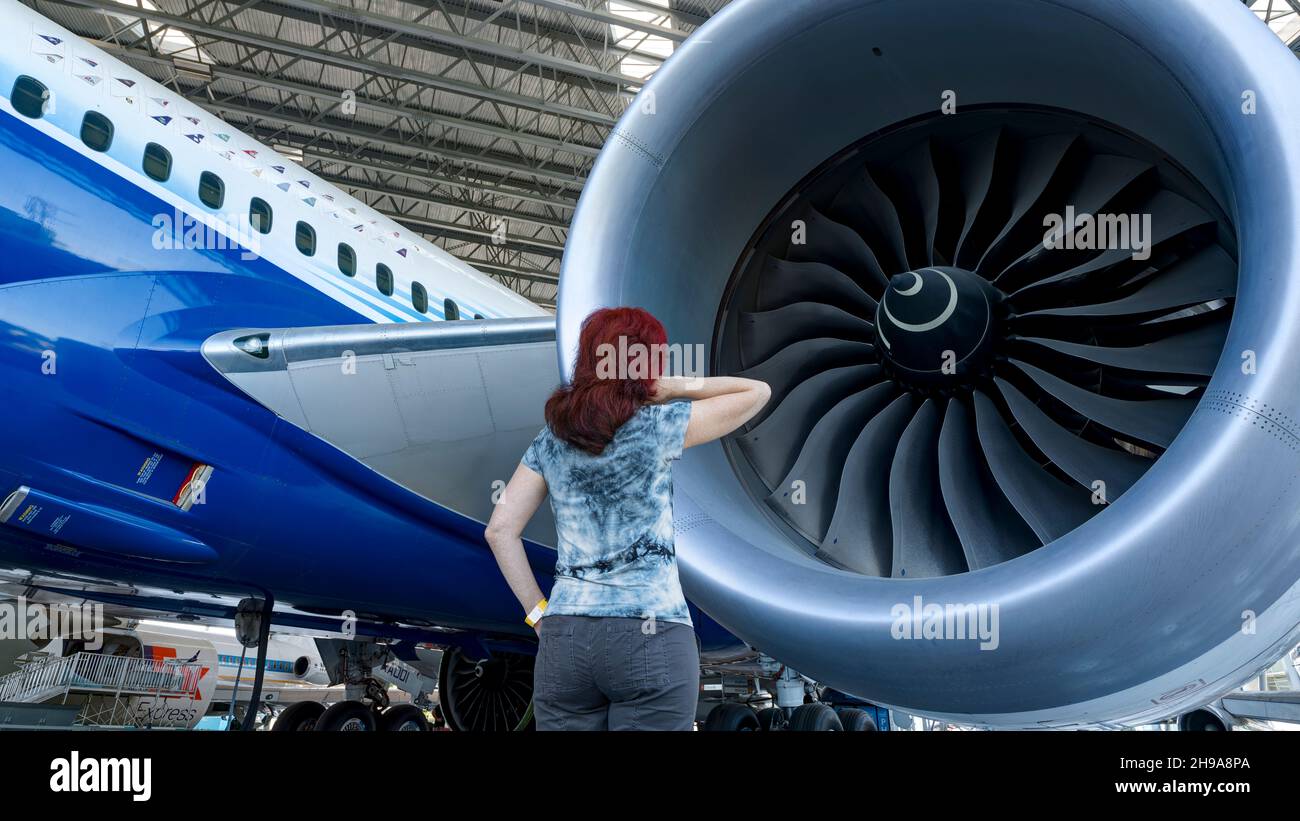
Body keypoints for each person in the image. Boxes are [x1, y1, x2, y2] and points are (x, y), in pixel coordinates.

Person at [484, 306, 770, 730]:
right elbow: (756, 393)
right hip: (651, 633)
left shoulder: (552, 439)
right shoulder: (657, 425)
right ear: (645, 364)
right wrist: (671, 388)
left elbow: (500, 531)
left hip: (566, 638)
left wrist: (538, 614)